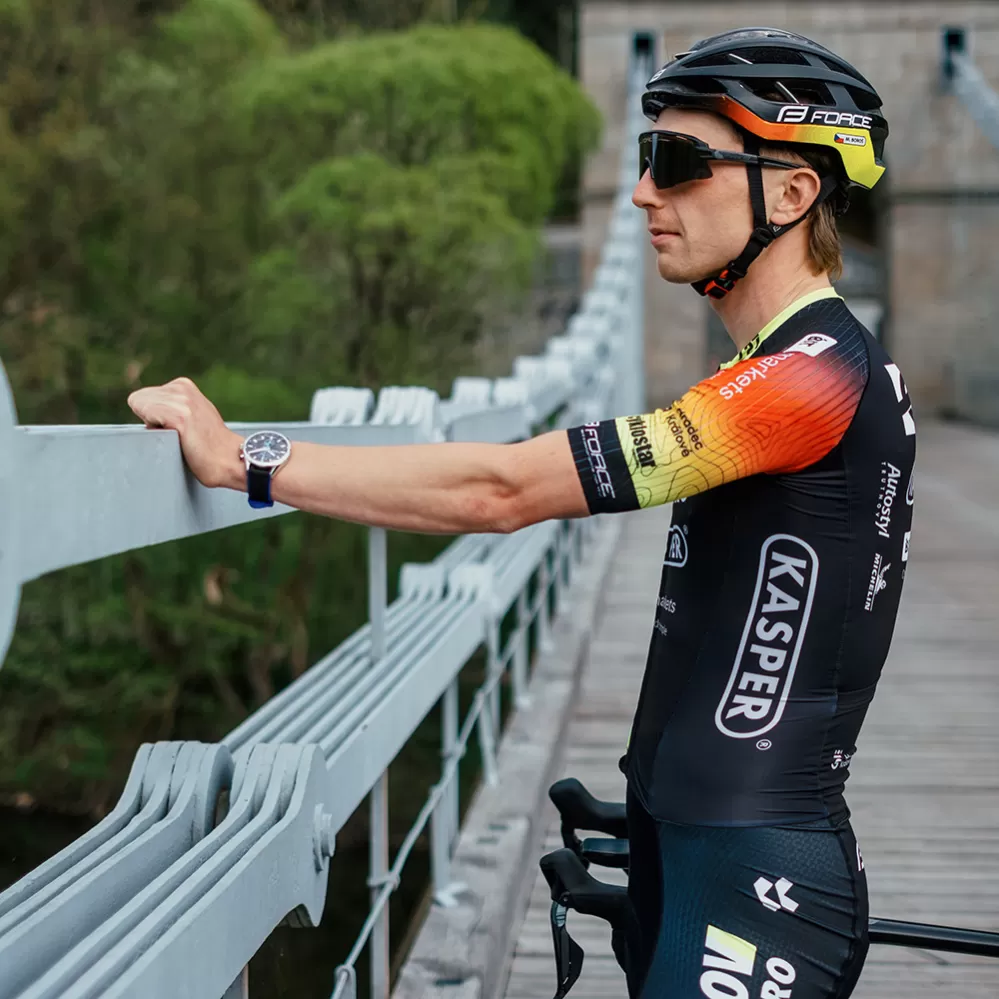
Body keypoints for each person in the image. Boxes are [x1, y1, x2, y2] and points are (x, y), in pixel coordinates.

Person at [127, 27, 915, 999]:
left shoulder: (808, 380)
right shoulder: (787, 365)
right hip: (694, 843)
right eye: (645, 158)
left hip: (753, 882)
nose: (642, 193)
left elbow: (501, 492)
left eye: (677, 162)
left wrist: (244, 459)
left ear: (790, 194)